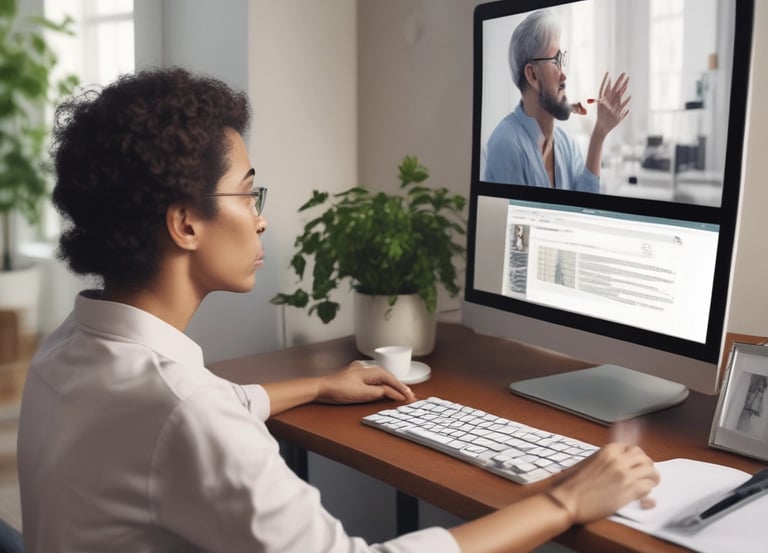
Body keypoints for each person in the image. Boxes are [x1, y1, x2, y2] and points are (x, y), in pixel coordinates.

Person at [17, 67, 658, 553]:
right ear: (185, 223)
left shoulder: (66, 351)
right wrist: (565, 499)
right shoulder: (184, 411)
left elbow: (196, 416)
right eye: (248, 193)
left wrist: (321, 382)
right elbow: (195, 421)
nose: (262, 219)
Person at [483, 10, 630, 192]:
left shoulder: (567, 144)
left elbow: (583, 206)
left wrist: (599, 133)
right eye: (555, 60)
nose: (563, 74)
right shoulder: (505, 145)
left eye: (562, 60)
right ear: (533, 75)